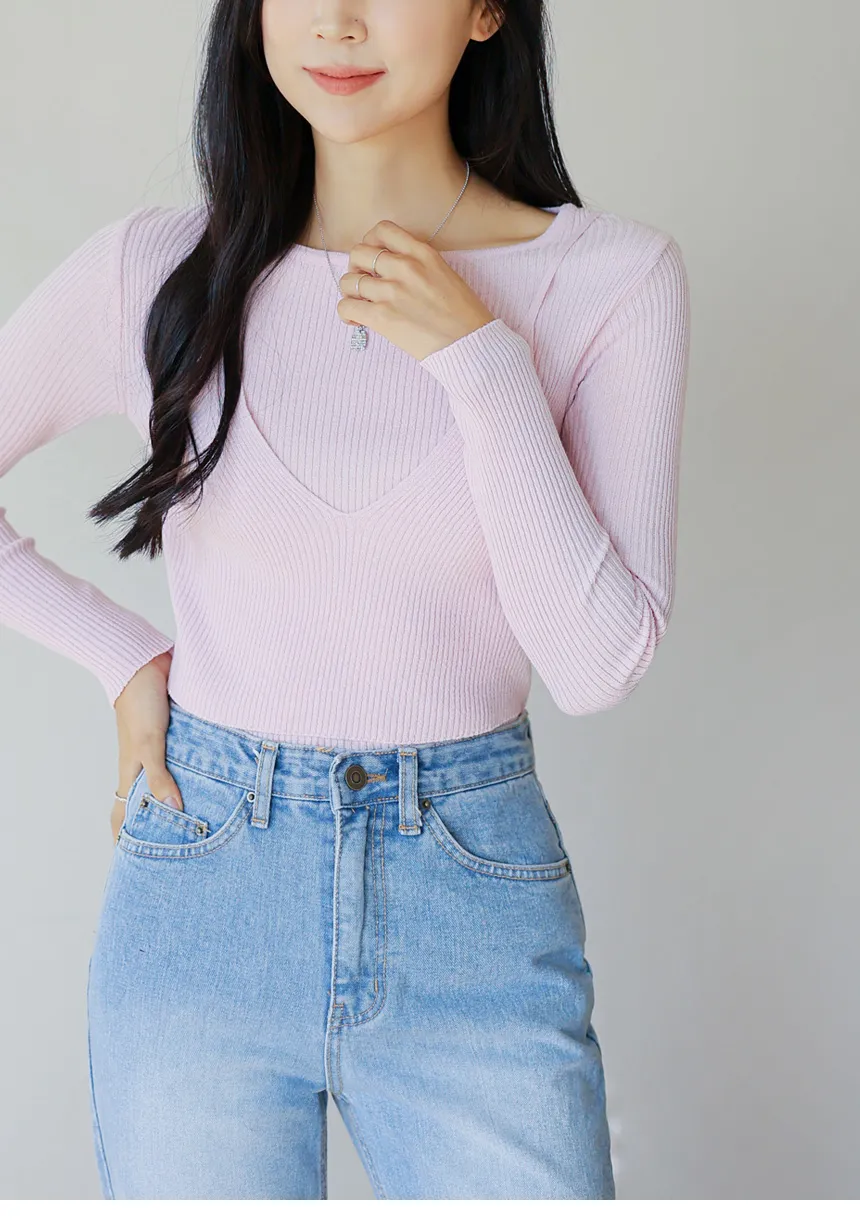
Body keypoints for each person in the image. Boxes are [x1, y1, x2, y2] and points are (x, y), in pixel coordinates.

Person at [0, 0, 690, 1200]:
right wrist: (123, 657)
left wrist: (482, 362)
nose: (336, 20)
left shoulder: (610, 280)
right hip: (202, 890)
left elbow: (594, 667)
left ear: (487, 10)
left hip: (470, 897)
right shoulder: (155, 271)